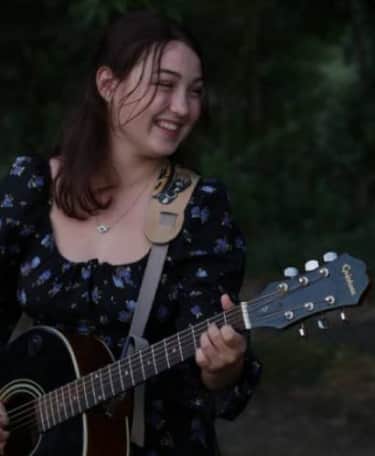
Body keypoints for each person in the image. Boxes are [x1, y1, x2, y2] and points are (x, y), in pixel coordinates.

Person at [0, 10, 261, 456]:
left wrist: (224, 368)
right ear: (108, 85)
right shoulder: (35, 186)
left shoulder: (200, 209)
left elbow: (206, 372)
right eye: (164, 84)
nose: (182, 108)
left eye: (194, 92)